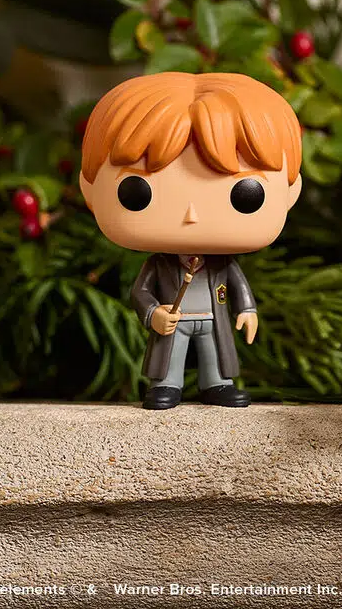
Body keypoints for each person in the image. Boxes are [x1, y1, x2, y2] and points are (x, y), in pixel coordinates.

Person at [79, 71, 302, 410]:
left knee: (216, 351)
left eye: (245, 195)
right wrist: (153, 313)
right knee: (170, 354)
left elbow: (238, 285)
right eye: (137, 192)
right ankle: (166, 385)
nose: (191, 215)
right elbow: (140, 292)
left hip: (213, 317)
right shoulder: (159, 265)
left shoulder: (222, 265)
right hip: (174, 320)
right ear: (89, 188)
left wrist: (247, 309)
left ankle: (218, 384)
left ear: (291, 191)